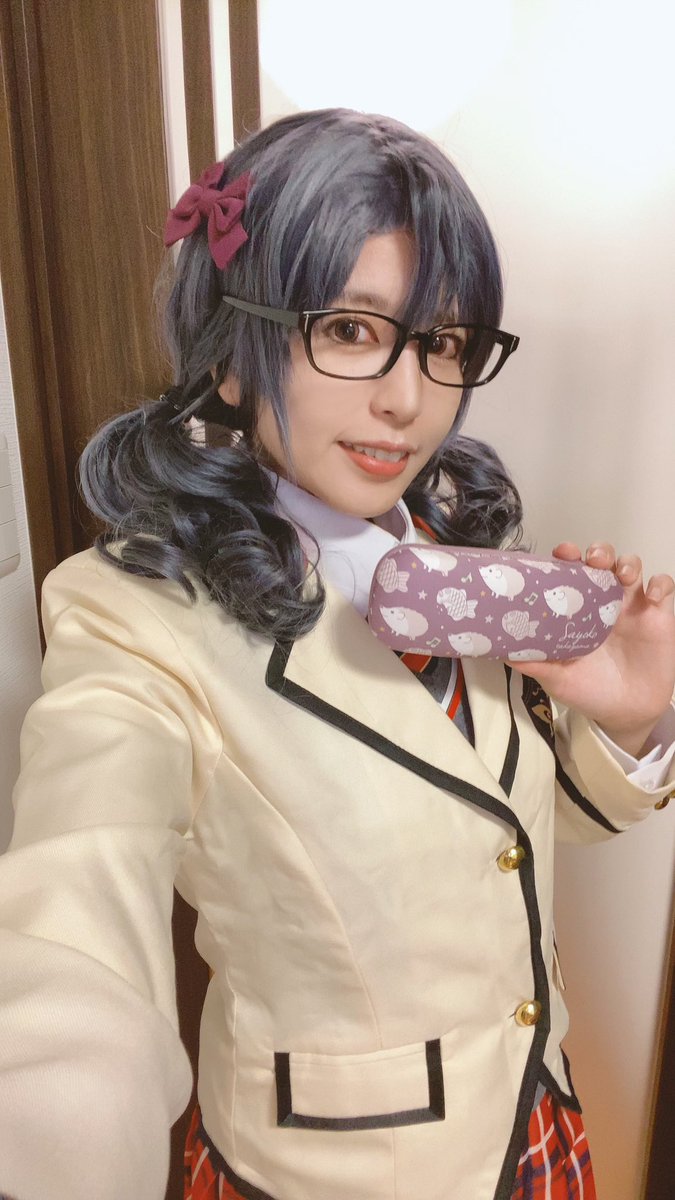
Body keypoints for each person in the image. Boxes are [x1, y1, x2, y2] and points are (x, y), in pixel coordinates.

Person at [0, 107, 673, 1200]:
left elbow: (500, 832)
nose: (408, 401)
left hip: (536, 1123)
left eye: (442, 343)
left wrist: (628, 715)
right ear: (233, 356)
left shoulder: (456, 553)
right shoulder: (135, 620)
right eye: (351, 330)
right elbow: (73, 919)